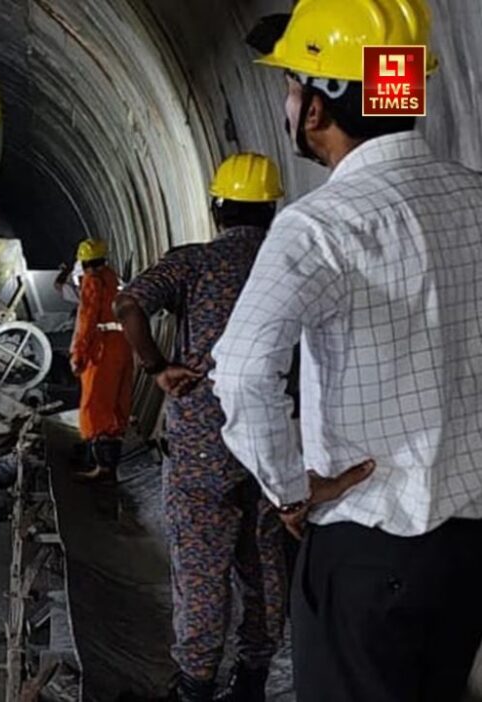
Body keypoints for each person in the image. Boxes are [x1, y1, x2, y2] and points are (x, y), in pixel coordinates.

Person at [211, 1, 482, 700]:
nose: (287, 104)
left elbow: (241, 371)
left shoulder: (319, 227)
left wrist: (289, 488)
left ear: (316, 107)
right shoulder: (474, 200)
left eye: (290, 86)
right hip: (468, 551)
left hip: (369, 548)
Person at [114, 153, 287, 702]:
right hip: (273, 442)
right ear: (271, 210)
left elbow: (129, 303)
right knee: (264, 565)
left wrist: (157, 368)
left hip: (202, 445)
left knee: (201, 568)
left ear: (217, 208)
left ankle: (196, 684)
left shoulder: (194, 263)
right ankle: (252, 680)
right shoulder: (289, 262)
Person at [68, 238, 133, 481]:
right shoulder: (114, 279)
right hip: (123, 344)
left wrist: (78, 354)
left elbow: (86, 319)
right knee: (117, 405)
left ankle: (101, 466)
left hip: (102, 347)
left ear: (84, 263)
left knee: (95, 404)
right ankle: (110, 464)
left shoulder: (92, 282)